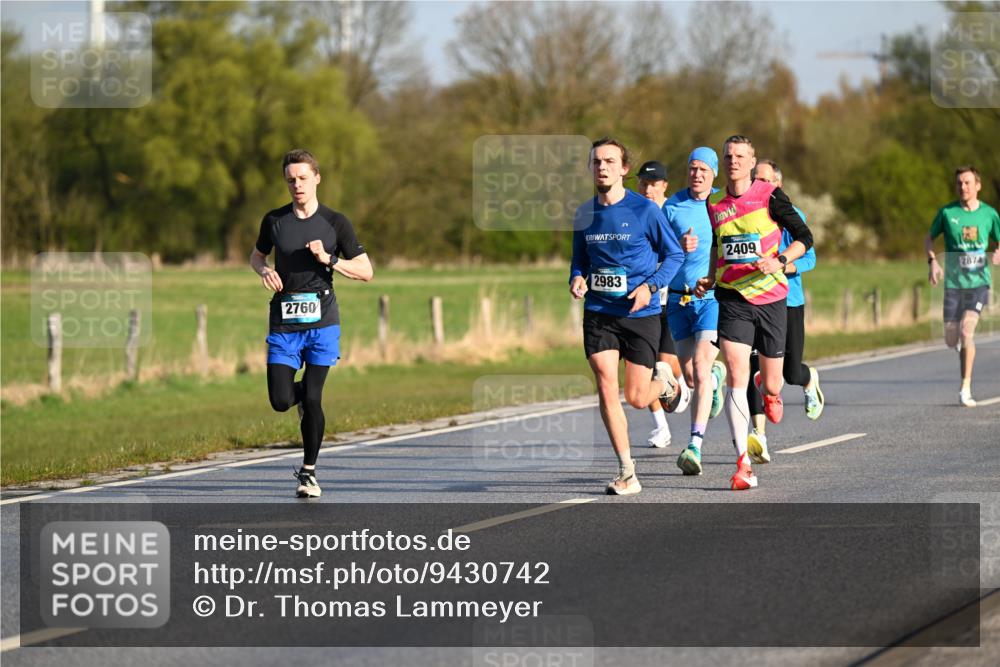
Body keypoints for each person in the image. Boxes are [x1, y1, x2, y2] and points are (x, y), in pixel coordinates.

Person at [250, 149, 373, 498]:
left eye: (303, 178)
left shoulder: (336, 223)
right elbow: (257, 255)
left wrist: (329, 259)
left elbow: (366, 271)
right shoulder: (274, 221)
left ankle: (308, 473)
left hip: (323, 322)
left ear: (317, 178)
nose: (297, 185)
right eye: (291, 179)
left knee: (315, 399)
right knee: (280, 399)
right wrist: (265, 270)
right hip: (285, 324)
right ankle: (298, 397)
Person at [694, 135, 813, 490]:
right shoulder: (714, 203)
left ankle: (769, 387)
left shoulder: (769, 195)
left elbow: (805, 237)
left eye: (740, 156)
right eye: (728, 155)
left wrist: (778, 260)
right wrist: (710, 277)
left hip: (773, 298)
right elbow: (719, 244)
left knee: (773, 382)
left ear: (751, 161)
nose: (733, 161)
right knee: (735, 373)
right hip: (733, 299)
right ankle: (743, 463)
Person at [570, 137, 685, 495]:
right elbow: (580, 260)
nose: (601, 166)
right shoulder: (584, 213)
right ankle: (627, 471)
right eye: (596, 161)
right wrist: (576, 278)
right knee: (605, 383)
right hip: (600, 311)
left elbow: (675, 256)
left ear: (623, 169)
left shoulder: (645, 211)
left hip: (641, 313)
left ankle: (665, 384)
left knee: (636, 397)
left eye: (609, 161)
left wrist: (650, 288)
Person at [647, 148, 728, 477]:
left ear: (713, 174)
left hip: (710, 299)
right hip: (678, 300)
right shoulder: (673, 205)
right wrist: (677, 246)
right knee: (693, 378)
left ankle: (694, 444)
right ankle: (716, 378)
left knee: (700, 365)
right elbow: (656, 248)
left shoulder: (723, 205)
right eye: (692, 169)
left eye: (703, 170)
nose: (696, 175)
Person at [745, 159, 823, 464]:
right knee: (753, 371)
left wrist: (783, 265)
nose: (759, 185)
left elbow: (810, 258)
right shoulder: (746, 211)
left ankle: (808, 380)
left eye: (765, 180)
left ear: (778, 184)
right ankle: (759, 437)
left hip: (788, 302)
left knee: (790, 372)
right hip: (752, 302)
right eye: (755, 179)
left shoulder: (792, 215)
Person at [925, 165, 1000, 407]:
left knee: (967, 331)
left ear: (977, 185)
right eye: (959, 183)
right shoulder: (947, 213)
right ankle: (962, 346)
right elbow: (929, 237)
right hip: (954, 285)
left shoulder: (989, 215)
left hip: (979, 283)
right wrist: (933, 262)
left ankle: (965, 387)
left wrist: (998, 251)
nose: (963, 187)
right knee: (951, 339)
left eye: (967, 182)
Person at [635, 160, 691, 449]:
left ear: (664, 186)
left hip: (673, 299)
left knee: (665, 369)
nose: (647, 189)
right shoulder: (631, 211)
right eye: (643, 183)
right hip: (643, 303)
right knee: (643, 369)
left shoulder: (672, 212)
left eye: (653, 184)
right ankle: (661, 428)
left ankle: (691, 383)